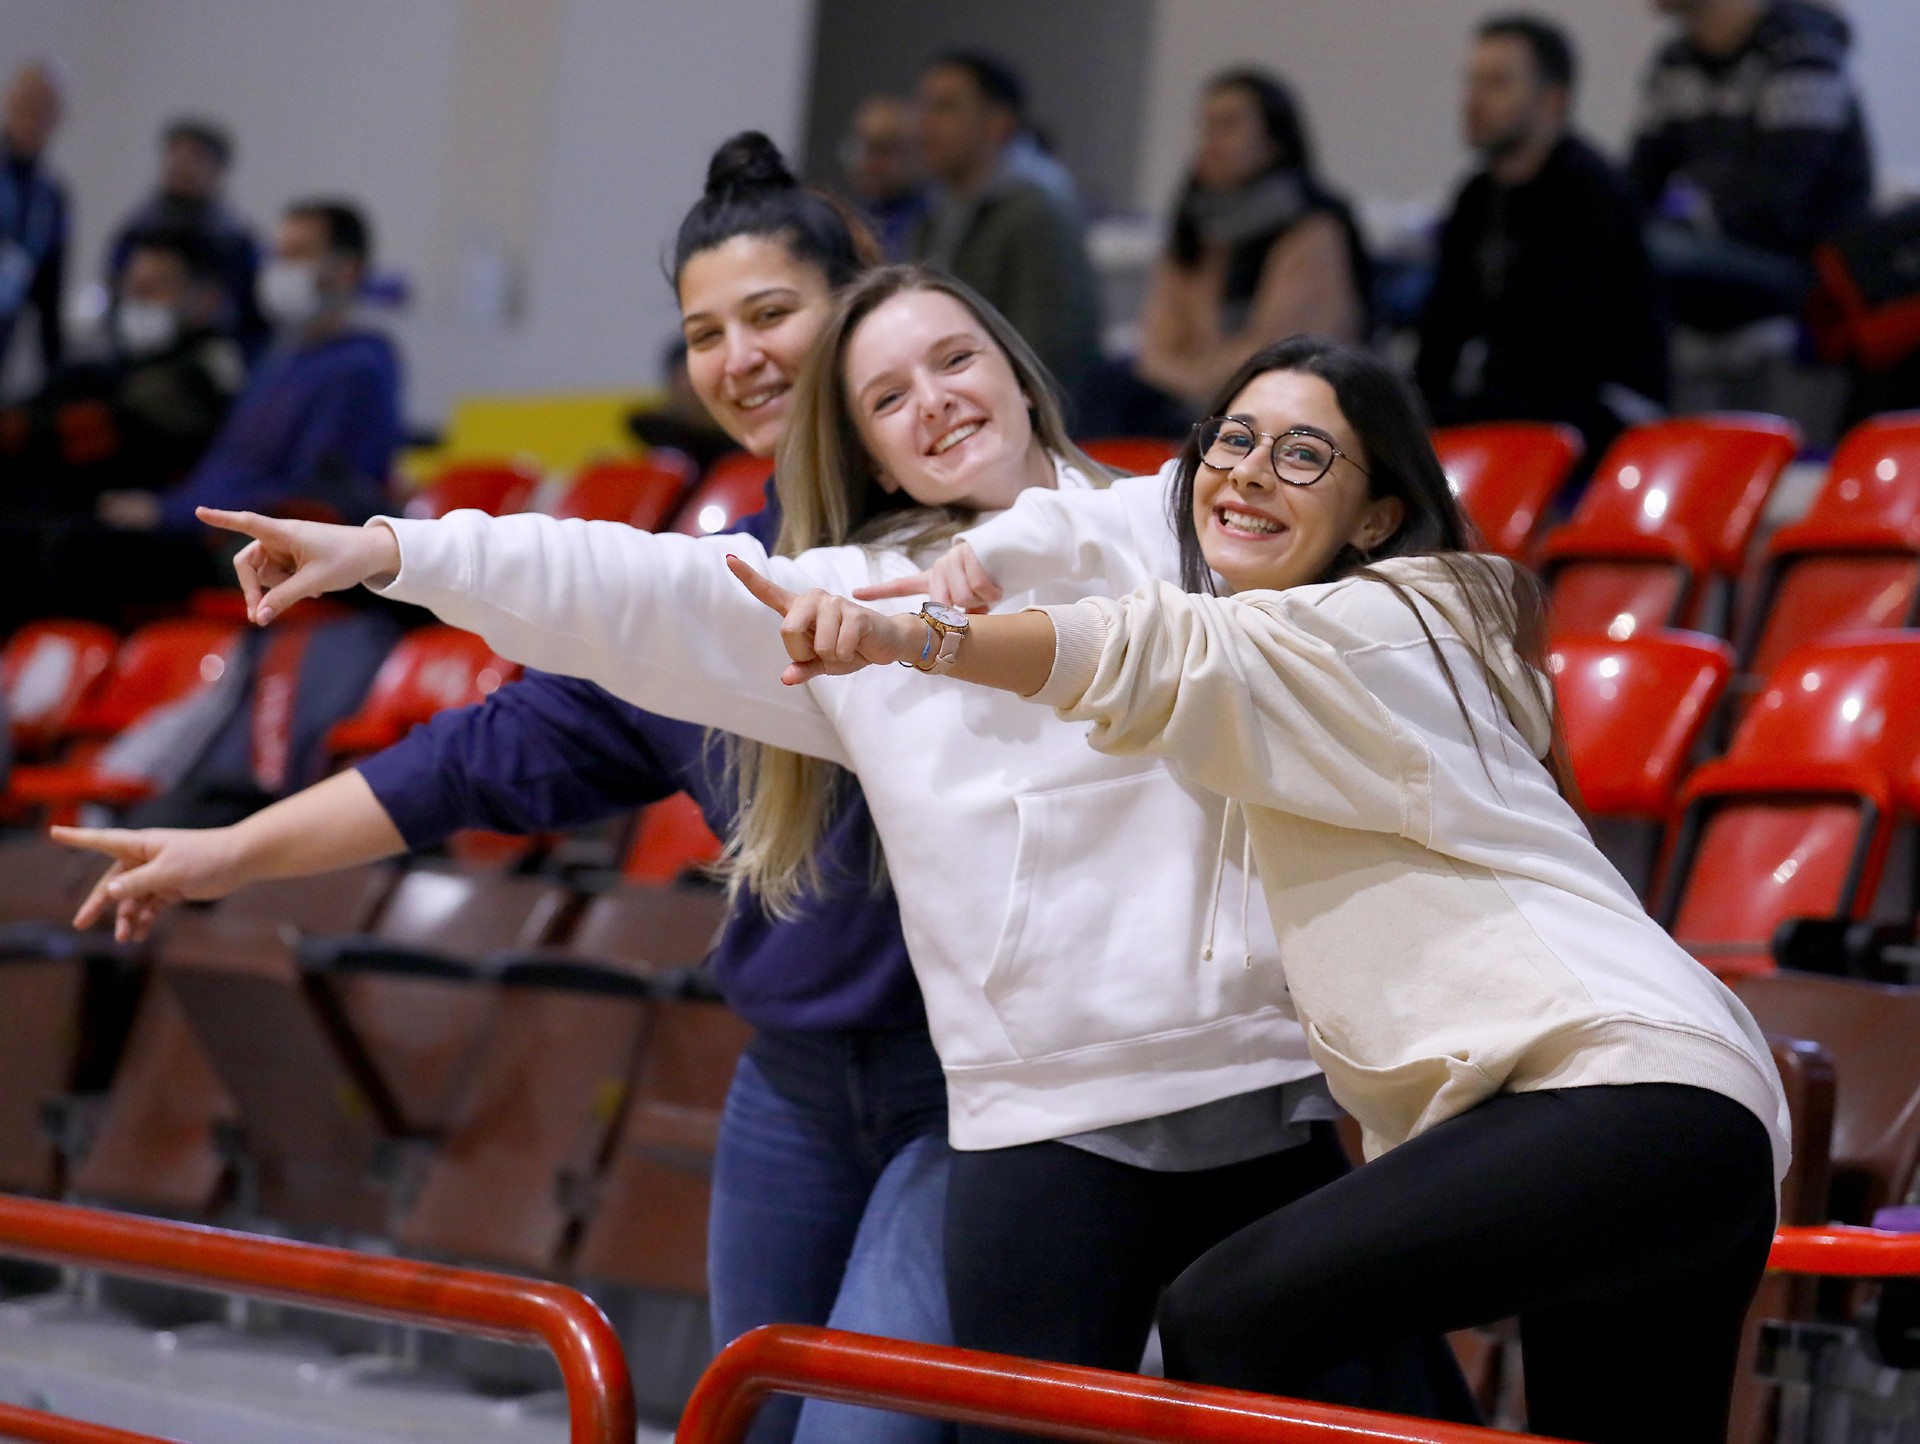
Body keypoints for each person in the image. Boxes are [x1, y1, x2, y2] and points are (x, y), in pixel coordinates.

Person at [163, 267, 1471, 1440]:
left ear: (1017, 371)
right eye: (888, 397)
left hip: (1257, 1101)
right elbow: (635, 586)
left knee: (1398, 1426)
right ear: (869, 450)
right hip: (1039, 1135)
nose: (934, 401)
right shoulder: (846, 608)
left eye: (955, 359)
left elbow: (1377, 551)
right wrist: (392, 549)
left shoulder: (1180, 527)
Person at [731, 333, 1790, 1444]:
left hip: (1621, 1091)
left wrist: (910, 634)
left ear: (1376, 517)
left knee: (1227, 1316)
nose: (1247, 472)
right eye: (1231, 440)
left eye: (1302, 455)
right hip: (1698, 1122)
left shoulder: (1366, 625)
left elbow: (1138, 647)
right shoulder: (1379, 652)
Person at [54, 134, 947, 1444]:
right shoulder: (699, 590)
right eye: (705, 334)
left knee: (870, 1433)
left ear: (860, 305)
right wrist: (224, 854)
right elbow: (470, 757)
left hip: (969, 1091)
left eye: (772, 315)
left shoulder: (982, 550)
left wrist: (383, 548)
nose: (739, 359)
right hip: (795, 1087)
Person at [1416, 15, 1666, 471]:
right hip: (1520, 397)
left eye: (1497, 83)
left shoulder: (1593, 193)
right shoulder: (1476, 197)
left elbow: (1569, 345)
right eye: (1472, 81)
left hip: (1604, 401)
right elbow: (1443, 327)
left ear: (1552, 99)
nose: (1474, 100)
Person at [98, 197, 400, 535]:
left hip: (240, 539)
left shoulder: (357, 370)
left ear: (348, 271)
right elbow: (226, 469)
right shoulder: (281, 358)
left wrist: (169, 513)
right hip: (203, 519)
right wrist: (168, 505)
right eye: (278, 255)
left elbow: (310, 498)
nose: (280, 270)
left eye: (297, 255)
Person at [1131, 70, 1369, 426]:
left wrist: (1196, 379)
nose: (1211, 141)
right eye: (1206, 125)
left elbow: (1285, 352)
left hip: (1287, 407)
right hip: (1187, 399)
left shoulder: (1312, 228)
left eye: (1229, 125)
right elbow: (1157, 346)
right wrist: (1184, 379)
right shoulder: (1194, 226)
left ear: (1274, 140)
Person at [1630, 0, 1872, 335]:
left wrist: (1682, 218)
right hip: (1710, 245)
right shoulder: (1678, 60)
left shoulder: (1801, 53)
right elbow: (1639, 184)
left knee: (1634, 255)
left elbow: (1774, 208)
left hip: (1799, 267)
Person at [910, 53, 1102, 417]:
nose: (925, 123)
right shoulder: (931, 214)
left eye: (945, 107)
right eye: (923, 106)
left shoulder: (1037, 214)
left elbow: (1047, 356)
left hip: (1014, 420)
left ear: (998, 123)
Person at [0, 225, 243, 507]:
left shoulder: (204, 377)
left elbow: (116, 432)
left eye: (155, 287)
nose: (138, 298)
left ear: (205, 300)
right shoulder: (102, 367)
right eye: (132, 286)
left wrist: (29, 431)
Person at [106, 118, 267, 359]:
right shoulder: (136, 231)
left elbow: (252, 313)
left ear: (218, 169)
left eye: (195, 157)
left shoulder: (235, 242)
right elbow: (113, 288)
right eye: (175, 154)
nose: (181, 165)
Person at [0, 62, 68, 388]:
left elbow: (48, 293)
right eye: (28, 105)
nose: (33, 119)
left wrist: (55, 377)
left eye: (44, 109)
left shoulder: (51, 198)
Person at [840, 95, 927, 263]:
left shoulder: (928, 222)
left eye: (883, 150)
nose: (870, 163)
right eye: (863, 148)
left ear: (913, 152)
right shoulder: (850, 218)